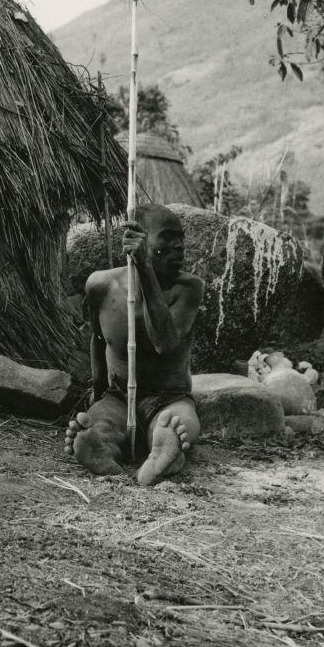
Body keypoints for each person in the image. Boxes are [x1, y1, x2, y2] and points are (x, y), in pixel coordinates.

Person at [64, 204, 204, 485]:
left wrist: (146, 268)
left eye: (181, 239)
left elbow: (163, 343)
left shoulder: (188, 288)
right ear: (135, 238)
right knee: (102, 425)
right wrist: (99, 392)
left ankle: (166, 452)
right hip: (118, 396)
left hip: (169, 397)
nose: (178, 246)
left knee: (179, 424)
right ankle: (101, 451)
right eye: (166, 237)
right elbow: (97, 339)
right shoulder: (100, 286)